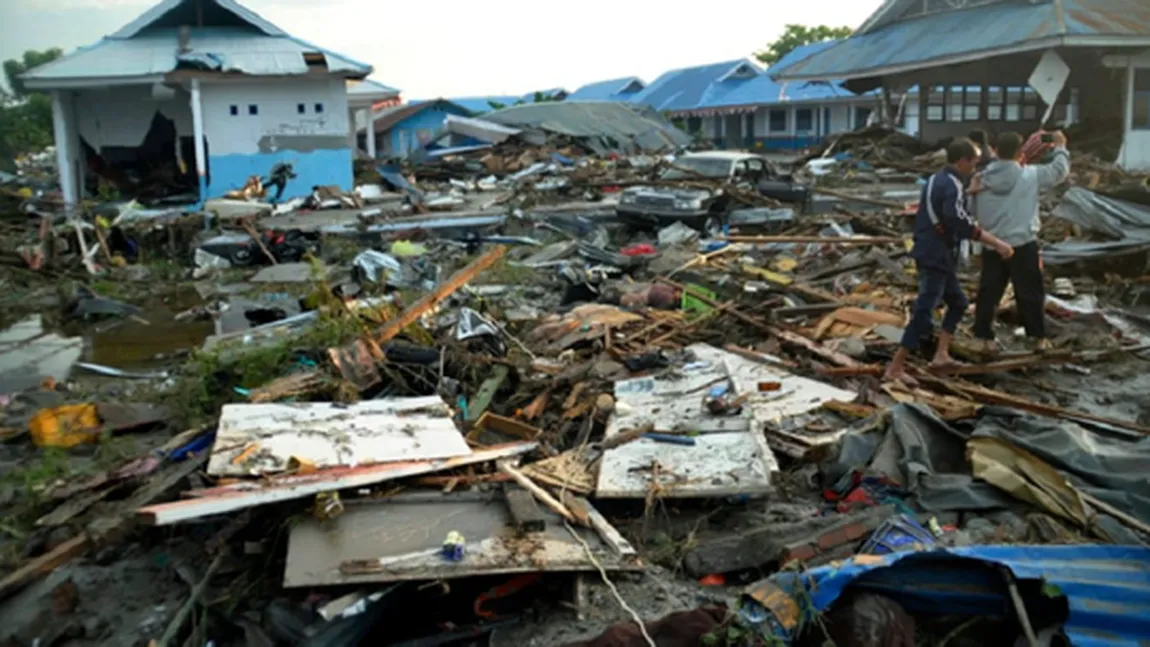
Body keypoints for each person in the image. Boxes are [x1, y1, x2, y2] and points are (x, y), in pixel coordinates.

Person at [884, 138, 1015, 384]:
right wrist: (997, 243)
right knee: (924, 311)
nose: (975, 168)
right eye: (974, 162)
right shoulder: (952, 185)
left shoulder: (935, 180)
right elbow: (960, 223)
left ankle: (941, 355)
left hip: (930, 251)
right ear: (962, 161)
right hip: (937, 256)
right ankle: (896, 366)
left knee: (958, 302)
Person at [970, 130, 1070, 353]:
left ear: (995, 151)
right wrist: (1060, 147)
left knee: (989, 292)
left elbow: (970, 211)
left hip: (992, 244)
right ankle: (1036, 338)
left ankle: (982, 338)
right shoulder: (1030, 175)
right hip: (1022, 244)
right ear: (1019, 152)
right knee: (1030, 292)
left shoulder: (980, 179)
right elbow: (1059, 172)